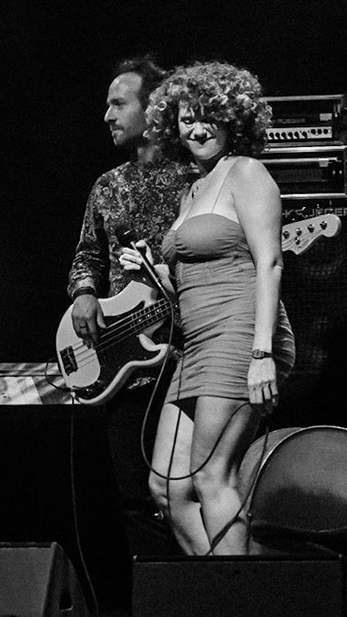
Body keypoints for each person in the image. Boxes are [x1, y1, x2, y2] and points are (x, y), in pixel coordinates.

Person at [123, 61, 295, 557]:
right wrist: (153, 272)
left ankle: (243, 611)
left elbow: (270, 264)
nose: (195, 128)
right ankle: (229, 592)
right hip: (196, 345)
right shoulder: (191, 191)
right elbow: (187, 289)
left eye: (207, 117)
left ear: (231, 120)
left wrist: (261, 355)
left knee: (210, 476)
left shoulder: (246, 172)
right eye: (185, 118)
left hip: (241, 336)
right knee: (168, 490)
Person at [67, 55, 192, 569]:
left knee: (186, 487)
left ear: (152, 108)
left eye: (119, 103)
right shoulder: (107, 185)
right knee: (134, 494)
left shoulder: (196, 177)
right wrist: (83, 294)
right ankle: (156, 610)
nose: (107, 115)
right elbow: (86, 255)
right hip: (126, 360)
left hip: (188, 352)